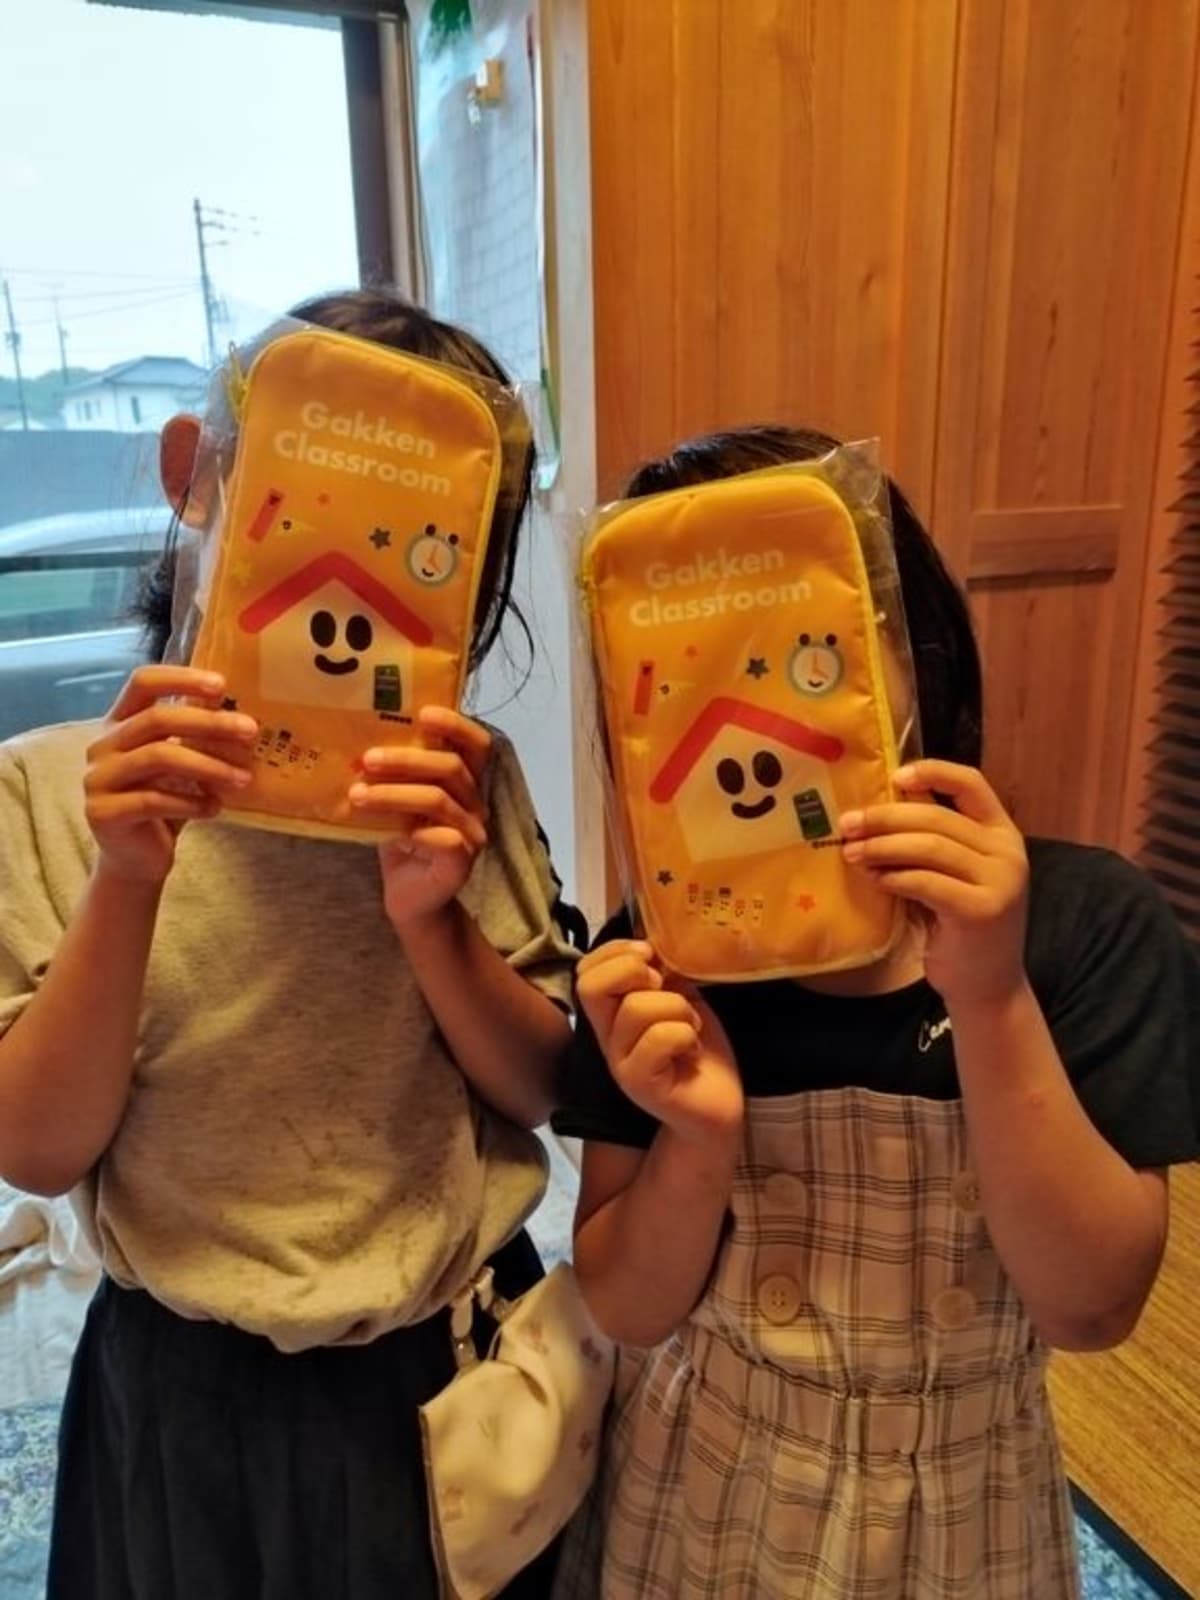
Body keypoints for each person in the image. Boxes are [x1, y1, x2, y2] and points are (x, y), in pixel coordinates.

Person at [0, 289, 581, 1600]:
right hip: (179, 1389)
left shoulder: (460, 786)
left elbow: (542, 1085)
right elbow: (35, 1148)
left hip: (442, 1367)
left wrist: (433, 920)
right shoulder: (46, 792)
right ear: (195, 478)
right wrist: (128, 880)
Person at [552, 425, 1200, 1599]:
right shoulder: (656, 966)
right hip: (706, 1490)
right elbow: (625, 1305)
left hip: (965, 1505)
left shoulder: (1083, 925)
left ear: (910, 649)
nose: (744, 697)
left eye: (793, 647)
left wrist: (991, 997)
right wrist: (697, 1137)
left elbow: (1093, 1305)